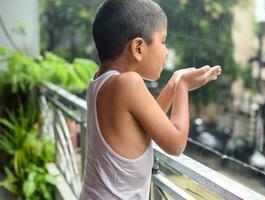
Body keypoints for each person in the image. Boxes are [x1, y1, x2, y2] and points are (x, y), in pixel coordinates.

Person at [80, 0, 222, 199]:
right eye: (163, 41)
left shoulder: (99, 82)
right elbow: (175, 143)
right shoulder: (128, 82)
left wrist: (173, 83)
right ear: (138, 47)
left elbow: (143, 125)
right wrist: (182, 88)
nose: (166, 51)